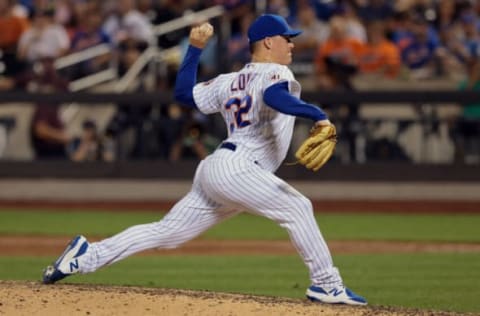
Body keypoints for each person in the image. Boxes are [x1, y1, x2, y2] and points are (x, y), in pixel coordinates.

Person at [42, 14, 367, 306]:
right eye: (287, 38)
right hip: (239, 169)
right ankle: (327, 284)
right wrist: (318, 115)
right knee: (298, 207)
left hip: (218, 169)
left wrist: (195, 49)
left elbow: (184, 95)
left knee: (167, 232)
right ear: (269, 42)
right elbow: (273, 97)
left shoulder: (229, 81)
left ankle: (87, 256)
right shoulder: (276, 71)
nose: (292, 44)